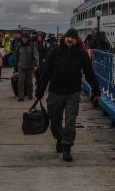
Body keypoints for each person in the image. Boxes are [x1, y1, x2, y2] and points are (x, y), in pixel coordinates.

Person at [35, 29, 101, 162]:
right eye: (68, 37)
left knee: (70, 122)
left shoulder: (82, 54)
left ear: (77, 40)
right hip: (55, 92)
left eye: (72, 38)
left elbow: (89, 74)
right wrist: (39, 91)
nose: (70, 39)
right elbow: (46, 72)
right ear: (64, 38)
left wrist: (96, 91)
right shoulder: (54, 52)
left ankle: (67, 147)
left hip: (73, 93)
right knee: (55, 122)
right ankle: (59, 138)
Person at [14, 33, 39, 102]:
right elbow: (16, 56)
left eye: (25, 38)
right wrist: (15, 66)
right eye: (23, 38)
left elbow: (36, 55)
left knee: (29, 82)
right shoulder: (19, 46)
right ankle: (21, 96)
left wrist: (37, 64)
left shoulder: (32, 45)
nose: (24, 39)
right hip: (21, 66)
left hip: (30, 67)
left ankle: (30, 94)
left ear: (28, 39)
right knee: (20, 81)